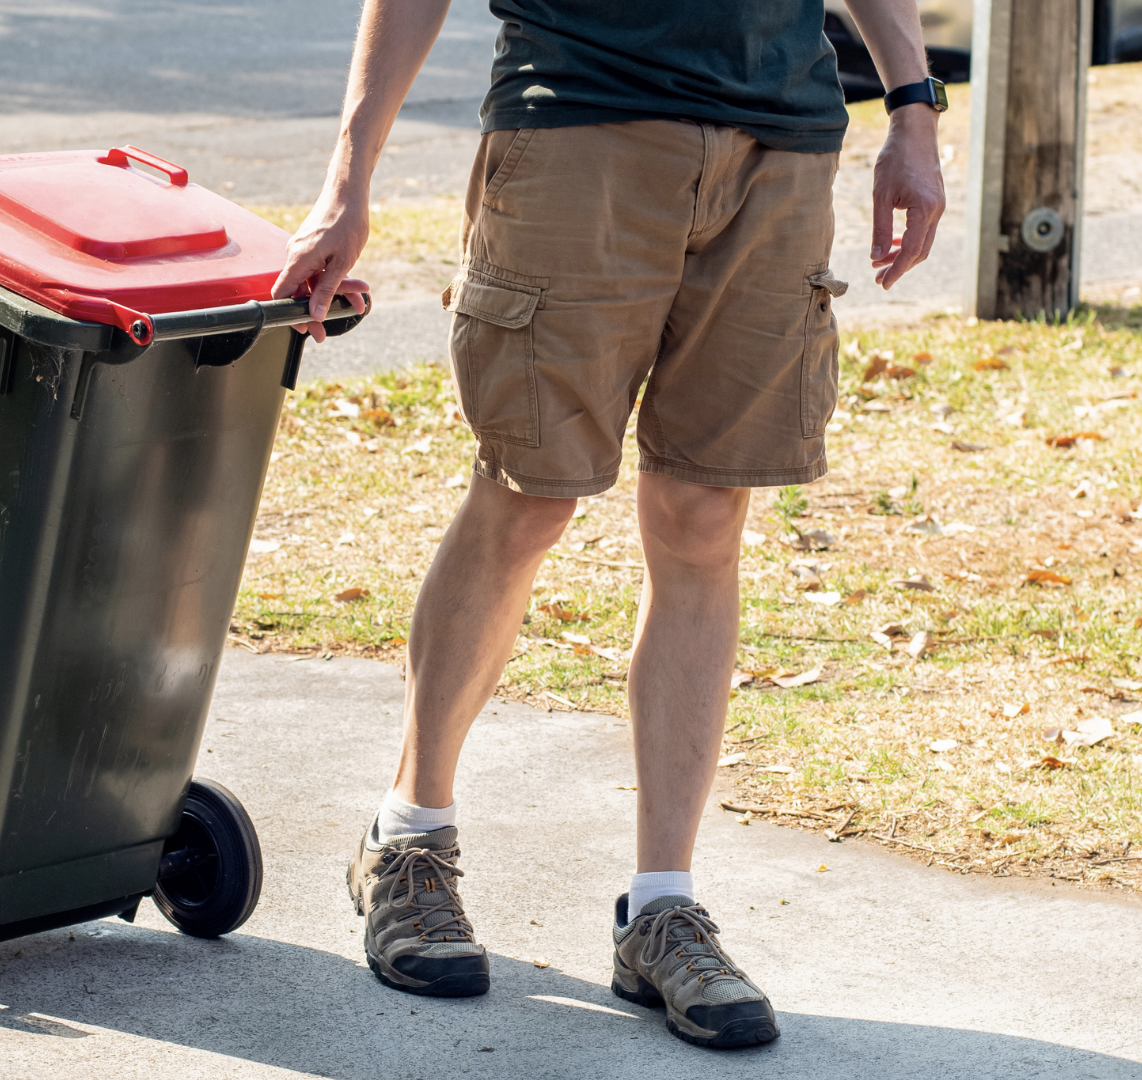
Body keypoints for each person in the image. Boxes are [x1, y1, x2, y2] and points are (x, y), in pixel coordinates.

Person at [273, 0, 945, 1049]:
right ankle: (409, 838)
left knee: (704, 515)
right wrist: (348, 179)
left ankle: (662, 906)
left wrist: (912, 105)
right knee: (528, 497)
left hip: (781, 143)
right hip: (579, 118)